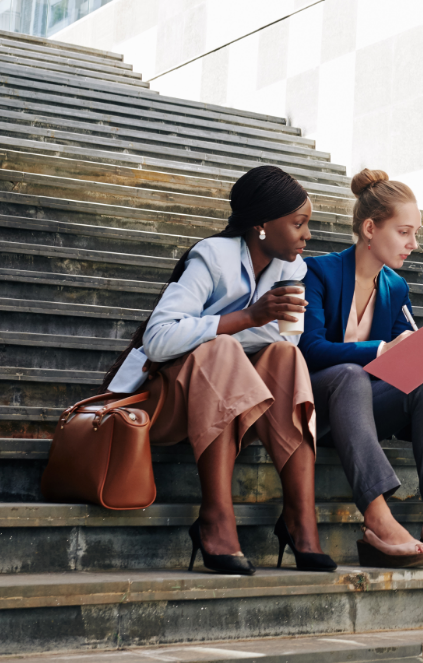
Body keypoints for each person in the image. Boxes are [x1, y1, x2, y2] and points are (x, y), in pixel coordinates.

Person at [102, 165, 335, 575]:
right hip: (166, 403)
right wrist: (244, 319)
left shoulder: (292, 270)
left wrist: (249, 333)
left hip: (237, 398)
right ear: (262, 225)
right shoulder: (212, 257)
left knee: (285, 358)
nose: (307, 235)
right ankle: (214, 517)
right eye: (299, 224)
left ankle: (301, 518)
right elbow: (157, 339)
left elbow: (286, 343)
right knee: (223, 348)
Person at [300, 169, 423, 568]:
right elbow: (307, 348)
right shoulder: (317, 273)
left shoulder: (395, 287)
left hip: (363, 411)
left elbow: (400, 361)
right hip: (317, 405)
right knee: (351, 373)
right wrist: (379, 349)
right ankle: (376, 518)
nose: (414, 244)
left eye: (416, 233)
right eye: (404, 232)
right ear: (371, 228)